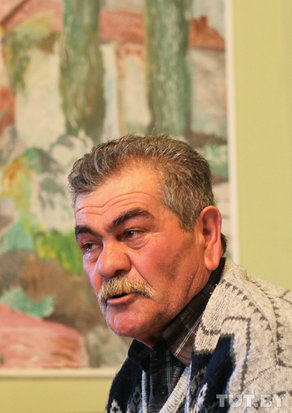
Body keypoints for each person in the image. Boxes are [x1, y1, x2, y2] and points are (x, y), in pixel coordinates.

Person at [68, 135, 292, 412]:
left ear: (207, 234)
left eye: (132, 233)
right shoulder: (135, 371)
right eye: (90, 245)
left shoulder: (271, 347)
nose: (106, 265)